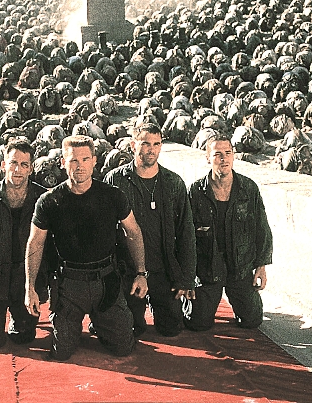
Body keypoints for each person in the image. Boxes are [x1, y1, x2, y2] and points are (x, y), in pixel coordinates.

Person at [25, 135, 148, 361]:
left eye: (84, 159)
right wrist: (30, 287)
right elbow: (35, 243)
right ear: (63, 162)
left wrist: (141, 273)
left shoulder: (112, 196)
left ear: (94, 161)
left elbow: (134, 232)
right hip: (69, 285)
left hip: (106, 282)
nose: (79, 166)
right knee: (62, 352)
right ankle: (76, 322)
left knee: (124, 347)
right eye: (73, 160)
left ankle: (100, 321)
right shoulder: (49, 201)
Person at [104, 123, 196, 337]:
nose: (151, 149)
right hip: (127, 270)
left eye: (156, 144)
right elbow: (105, 230)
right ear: (133, 145)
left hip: (163, 269)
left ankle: (159, 304)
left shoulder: (173, 182)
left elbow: (186, 232)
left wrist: (186, 278)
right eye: (146, 144)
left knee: (171, 329)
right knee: (131, 330)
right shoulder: (116, 180)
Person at [185, 133, 272, 330]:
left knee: (251, 321)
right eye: (217, 154)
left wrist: (261, 266)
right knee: (197, 323)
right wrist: (187, 277)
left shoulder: (248, 188)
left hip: (240, 267)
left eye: (228, 153)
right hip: (207, 268)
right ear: (208, 158)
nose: (224, 159)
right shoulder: (196, 191)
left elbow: (262, 228)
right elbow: (185, 235)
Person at [0, 139, 49, 350]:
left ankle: (16, 315)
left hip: (24, 278)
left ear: (31, 168)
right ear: (3, 165)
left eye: (24, 164)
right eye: (13, 163)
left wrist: (42, 286)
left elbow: (49, 246)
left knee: (23, 336)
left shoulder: (42, 199)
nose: (17, 170)